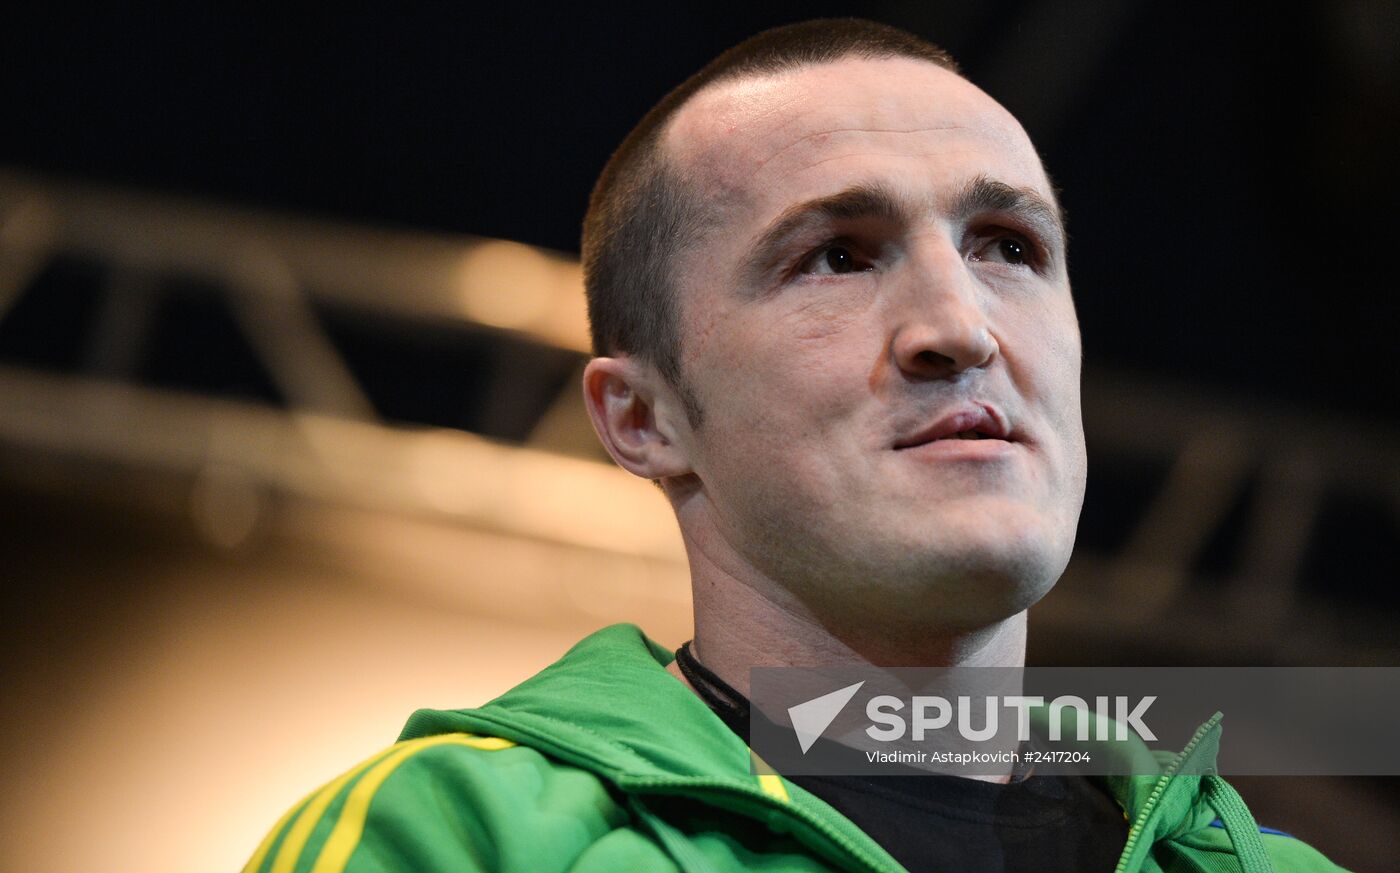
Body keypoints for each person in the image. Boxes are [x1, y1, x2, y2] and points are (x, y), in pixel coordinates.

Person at [243, 19, 1345, 873]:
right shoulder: (460, 838)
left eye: (1007, 246)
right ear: (643, 418)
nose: (959, 327)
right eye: (834, 257)